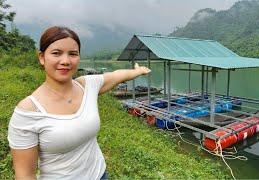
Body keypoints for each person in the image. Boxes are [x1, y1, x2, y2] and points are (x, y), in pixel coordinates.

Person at [7, 26, 151, 180]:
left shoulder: (87, 85)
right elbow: (25, 175)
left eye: (73, 54)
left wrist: (137, 71)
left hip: (100, 175)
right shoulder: (28, 112)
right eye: (56, 53)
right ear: (42, 57)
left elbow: (116, 76)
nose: (65, 61)